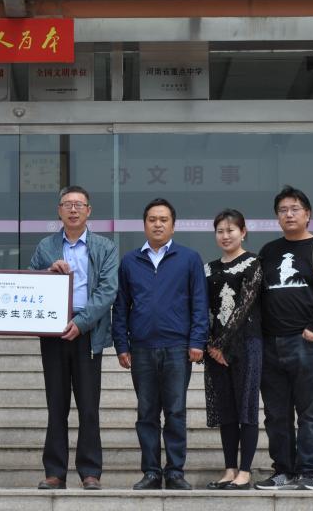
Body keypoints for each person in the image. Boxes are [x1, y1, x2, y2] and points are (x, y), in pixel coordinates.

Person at [112, 198, 208, 491]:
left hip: (178, 347)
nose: (157, 224)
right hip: (141, 348)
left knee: (176, 412)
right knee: (147, 413)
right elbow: (121, 306)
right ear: (144, 225)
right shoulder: (130, 261)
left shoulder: (189, 258)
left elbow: (199, 303)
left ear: (173, 226)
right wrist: (121, 345)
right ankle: (152, 472)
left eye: (163, 220)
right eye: (152, 219)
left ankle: (175, 472)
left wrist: (197, 340)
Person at [255, 186, 313, 492]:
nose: (289, 214)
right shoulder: (269, 251)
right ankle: (283, 470)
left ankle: (308, 472)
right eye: (283, 210)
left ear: (308, 214)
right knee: (275, 414)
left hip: (306, 342)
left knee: (309, 412)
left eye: (295, 209)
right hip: (271, 343)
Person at [29, 185, 118, 491]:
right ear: (59, 211)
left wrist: (81, 322)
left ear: (89, 211)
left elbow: (108, 290)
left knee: (89, 406)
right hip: (53, 330)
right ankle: (55, 472)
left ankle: (90, 471)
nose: (73, 209)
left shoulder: (105, 247)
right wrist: (47, 271)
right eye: (67, 204)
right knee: (56, 405)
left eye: (79, 204)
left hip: (88, 331)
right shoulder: (46, 246)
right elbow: (29, 282)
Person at [203, 209, 263, 491]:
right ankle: (230, 469)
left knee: (246, 408)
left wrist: (221, 344)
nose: (225, 236)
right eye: (220, 231)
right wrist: (210, 344)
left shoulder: (253, 263)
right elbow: (201, 308)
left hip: (246, 344)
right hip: (215, 350)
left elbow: (244, 307)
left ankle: (245, 472)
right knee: (226, 409)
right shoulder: (208, 268)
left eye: (231, 230)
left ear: (243, 232)